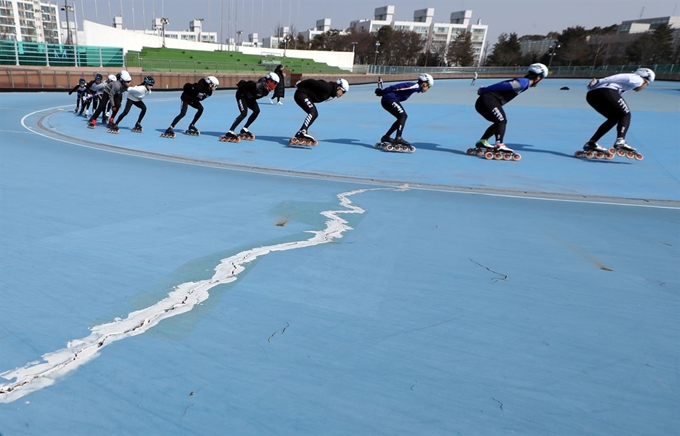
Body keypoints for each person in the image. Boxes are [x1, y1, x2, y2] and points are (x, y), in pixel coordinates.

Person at [474, 63, 548, 154]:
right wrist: (485, 89)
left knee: (498, 122)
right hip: (488, 100)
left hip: (483, 102)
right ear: (539, 77)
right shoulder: (524, 82)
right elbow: (503, 85)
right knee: (501, 121)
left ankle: (483, 141)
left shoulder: (524, 83)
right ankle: (499, 144)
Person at [582, 68, 654, 154]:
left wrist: (594, 84)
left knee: (614, 118)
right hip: (607, 91)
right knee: (626, 114)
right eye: (647, 84)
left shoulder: (627, 85)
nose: (644, 87)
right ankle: (621, 140)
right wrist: (600, 81)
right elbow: (620, 76)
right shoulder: (638, 79)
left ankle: (591, 143)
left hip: (592, 95)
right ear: (645, 79)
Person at [374, 73, 434, 148]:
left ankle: (386, 136)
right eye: (429, 86)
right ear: (424, 84)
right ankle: (398, 138)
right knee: (403, 116)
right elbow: (397, 87)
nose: (428, 89)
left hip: (388, 100)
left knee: (401, 117)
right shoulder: (414, 86)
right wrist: (383, 92)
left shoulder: (416, 88)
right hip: (389, 99)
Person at [220, 72, 279, 142]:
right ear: (269, 81)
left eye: (276, 84)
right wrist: (239, 84)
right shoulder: (257, 85)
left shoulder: (266, 91)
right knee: (244, 113)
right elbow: (245, 83)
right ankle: (230, 131)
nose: (275, 86)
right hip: (241, 96)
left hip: (250, 98)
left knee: (257, 111)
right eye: (274, 83)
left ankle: (244, 129)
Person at [290, 78, 349, 145]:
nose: (343, 94)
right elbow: (312, 81)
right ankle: (302, 131)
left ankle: (303, 132)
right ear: (338, 87)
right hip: (301, 94)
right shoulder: (327, 87)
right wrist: (299, 84)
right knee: (313, 112)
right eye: (343, 92)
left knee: (314, 113)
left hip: (303, 95)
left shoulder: (330, 92)